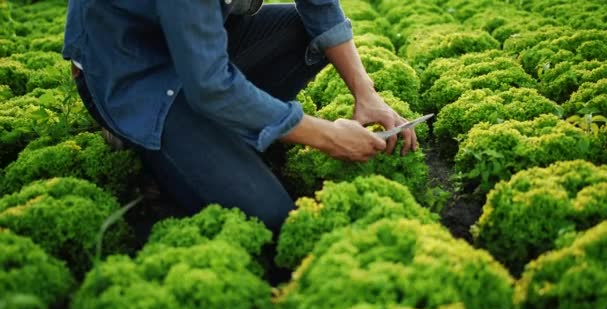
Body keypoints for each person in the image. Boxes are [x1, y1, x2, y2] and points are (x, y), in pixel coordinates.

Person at [63, 0, 418, 236]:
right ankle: (150, 135)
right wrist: (327, 135)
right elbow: (211, 86)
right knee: (270, 217)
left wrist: (366, 92)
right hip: (130, 66)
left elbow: (320, 7)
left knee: (304, 32)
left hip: (199, 40)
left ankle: (208, 134)